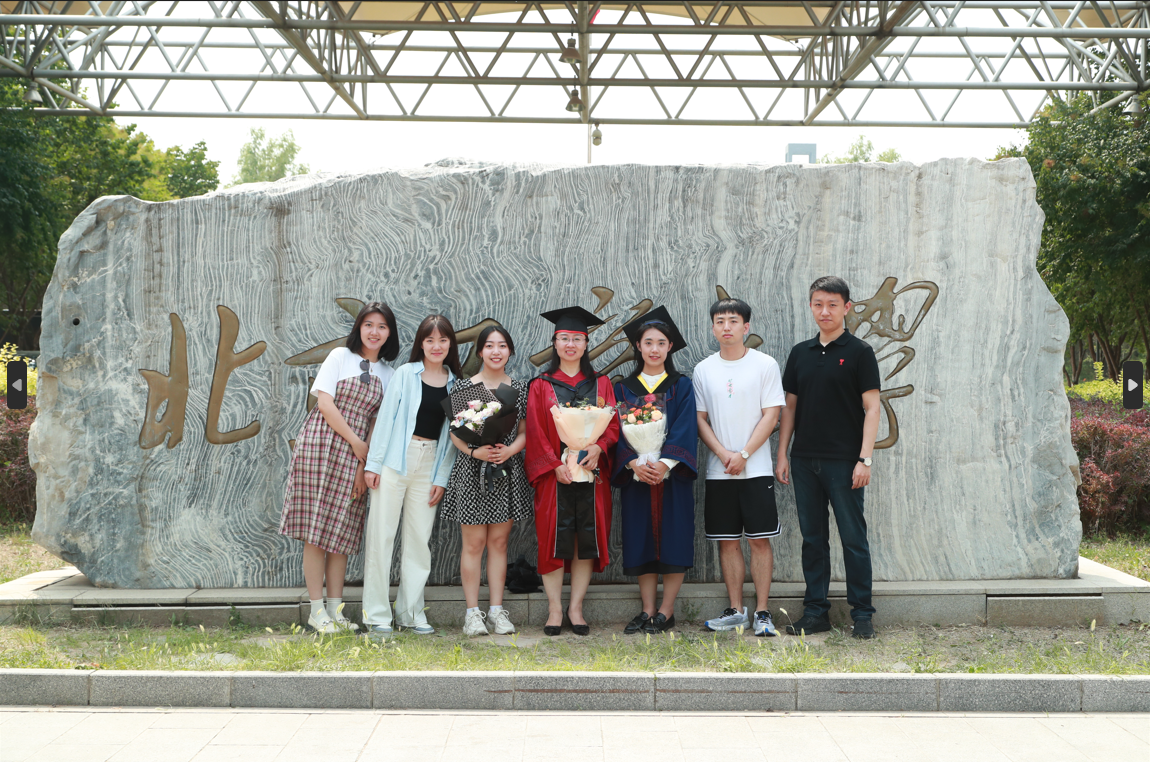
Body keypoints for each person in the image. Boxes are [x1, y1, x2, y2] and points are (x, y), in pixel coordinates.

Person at [280, 302, 399, 633]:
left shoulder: (389, 374)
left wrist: (364, 463)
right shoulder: (339, 357)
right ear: (359, 327)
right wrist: (355, 441)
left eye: (382, 326)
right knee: (316, 531)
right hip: (321, 444)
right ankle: (316, 610)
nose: (374, 332)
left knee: (341, 533)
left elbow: (377, 422)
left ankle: (336, 610)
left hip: (357, 456)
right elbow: (325, 403)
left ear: (389, 334)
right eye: (368, 324)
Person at [776, 276, 882, 639]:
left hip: (845, 462)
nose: (825, 311)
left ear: (846, 308)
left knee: (853, 538)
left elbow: (872, 408)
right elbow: (789, 407)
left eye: (833, 304)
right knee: (813, 539)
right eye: (818, 304)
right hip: (804, 460)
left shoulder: (860, 352)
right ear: (811, 306)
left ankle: (862, 614)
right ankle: (815, 612)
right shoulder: (800, 353)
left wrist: (864, 459)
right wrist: (783, 454)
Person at [362, 315, 460, 636]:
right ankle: (377, 615)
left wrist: (440, 479)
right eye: (430, 340)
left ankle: (410, 613)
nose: (436, 346)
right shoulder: (406, 374)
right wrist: (374, 464)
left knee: (419, 540)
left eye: (442, 340)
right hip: (395, 460)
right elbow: (386, 419)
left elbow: (452, 439)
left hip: (429, 464)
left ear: (450, 344)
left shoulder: (456, 385)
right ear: (421, 343)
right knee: (381, 536)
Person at [693, 298, 786, 637]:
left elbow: (772, 415)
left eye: (733, 321)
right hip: (719, 470)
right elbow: (700, 419)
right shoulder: (704, 369)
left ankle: (762, 612)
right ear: (713, 328)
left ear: (746, 326)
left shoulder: (764, 364)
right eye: (720, 321)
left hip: (756, 468)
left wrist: (744, 454)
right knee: (727, 541)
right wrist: (722, 453)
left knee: (759, 540)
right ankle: (736, 611)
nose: (726, 327)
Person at [525, 306, 620, 636]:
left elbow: (613, 426)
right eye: (564, 338)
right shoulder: (541, 385)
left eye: (577, 339)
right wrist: (553, 465)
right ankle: (554, 608)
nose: (570, 344)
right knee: (552, 538)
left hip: (592, 474)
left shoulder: (601, 383)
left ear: (586, 343)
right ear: (554, 342)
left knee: (585, 539)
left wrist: (599, 447)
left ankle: (576, 608)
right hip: (555, 478)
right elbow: (535, 430)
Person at [612, 306, 698, 635]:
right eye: (648, 342)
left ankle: (667, 610)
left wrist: (664, 464)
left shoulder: (681, 385)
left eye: (661, 343)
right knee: (641, 538)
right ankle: (647, 608)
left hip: (671, 476)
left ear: (670, 347)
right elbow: (615, 432)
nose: (654, 349)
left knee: (674, 538)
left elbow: (686, 427)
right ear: (638, 346)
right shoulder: (623, 389)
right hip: (638, 476)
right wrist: (633, 462)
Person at [442, 325, 531, 637]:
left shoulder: (520, 388)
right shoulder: (464, 387)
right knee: (474, 544)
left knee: (499, 543)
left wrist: (510, 450)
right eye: (490, 346)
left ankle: (496, 611)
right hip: (472, 472)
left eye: (502, 345)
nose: (496, 351)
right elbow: (455, 433)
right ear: (480, 351)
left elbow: (524, 431)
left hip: (505, 470)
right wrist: (475, 451)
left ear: (510, 351)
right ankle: (472, 614)